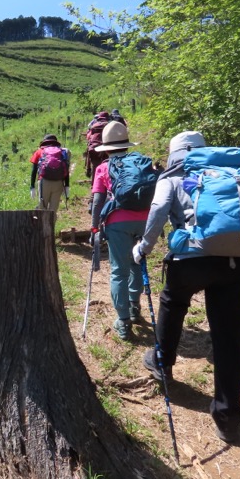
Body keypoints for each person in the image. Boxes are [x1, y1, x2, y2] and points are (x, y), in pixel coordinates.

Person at [132, 131, 240, 443]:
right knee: (229, 335)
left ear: (173, 153)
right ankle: (228, 417)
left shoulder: (171, 177)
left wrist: (143, 248)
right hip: (237, 261)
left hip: (190, 260)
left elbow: (158, 212)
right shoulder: (228, 174)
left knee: (173, 303)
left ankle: (163, 361)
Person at [89, 121, 148, 340]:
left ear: (107, 147)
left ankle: (123, 320)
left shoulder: (103, 168)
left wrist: (95, 226)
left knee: (119, 270)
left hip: (117, 222)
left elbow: (98, 201)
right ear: (126, 144)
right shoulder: (141, 162)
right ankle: (135, 306)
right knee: (136, 264)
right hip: (144, 220)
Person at [29, 134, 70, 211]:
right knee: (53, 210)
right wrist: (67, 186)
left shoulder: (39, 152)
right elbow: (66, 169)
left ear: (44, 142)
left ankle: (42, 223)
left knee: (42, 208)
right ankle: (51, 223)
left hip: (44, 182)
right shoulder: (62, 152)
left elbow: (34, 170)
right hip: (59, 182)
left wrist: (32, 187)